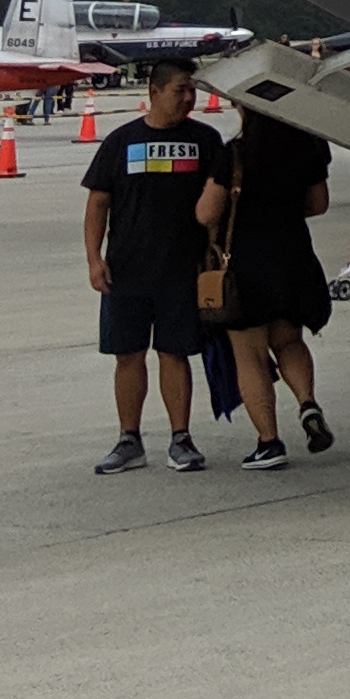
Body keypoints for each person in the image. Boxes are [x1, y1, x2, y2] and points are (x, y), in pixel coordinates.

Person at [79, 63, 227, 475]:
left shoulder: (205, 140)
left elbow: (221, 204)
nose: (188, 99)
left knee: (175, 353)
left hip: (183, 271)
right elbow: (97, 204)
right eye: (180, 90)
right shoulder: (121, 141)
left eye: (192, 90)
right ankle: (129, 440)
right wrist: (94, 259)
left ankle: (181, 439)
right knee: (127, 354)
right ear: (155, 90)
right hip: (126, 271)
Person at [211, 106, 335, 468]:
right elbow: (318, 203)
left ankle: (269, 442)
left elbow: (207, 211)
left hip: (246, 264)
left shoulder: (236, 153)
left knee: (249, 354)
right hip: (293, 258)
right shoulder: (306, 149)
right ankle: (307, 402)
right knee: (289, 340)